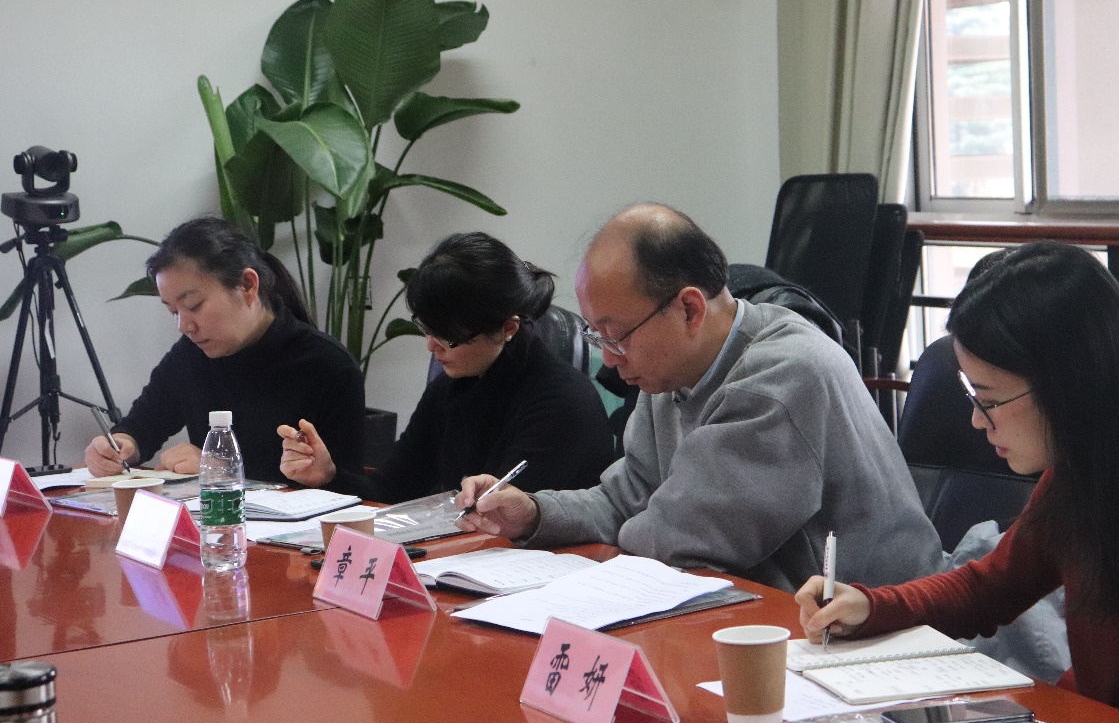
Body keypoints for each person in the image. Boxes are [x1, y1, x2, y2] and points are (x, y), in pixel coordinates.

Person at [796, 241, 1119, 723]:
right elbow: (988, 589)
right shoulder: (1083, 477)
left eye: (988, 400)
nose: (977, 421)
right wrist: (871, 607)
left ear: (1069, 388)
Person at [457, 203, 943, 592]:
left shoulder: (782, 376)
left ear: (689, 309)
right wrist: (535, 513)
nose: (608, 358)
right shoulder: (670, 373)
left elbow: (678, 538)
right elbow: (626, 499)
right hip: (772, 618)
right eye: (597, 336)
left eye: (616, 335)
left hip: (877, 630)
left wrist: (617, 533)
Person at [277, 232, 614, 501]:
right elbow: (389, 490)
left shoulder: (562, 404)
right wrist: (328, 477)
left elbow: (509, 521)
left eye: (448, 336)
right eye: (427, 328)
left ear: (507, 328)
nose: (431, 345)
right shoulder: (455, 384)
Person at [84, 217, 365, 483]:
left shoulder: (327, 365)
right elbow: (142, 425)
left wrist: (224, 470)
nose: (184, 326)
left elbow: (351, 493)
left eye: (194, 306)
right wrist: (121, 445)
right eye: (174, 311)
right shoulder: (190, 356)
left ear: (247, 285)